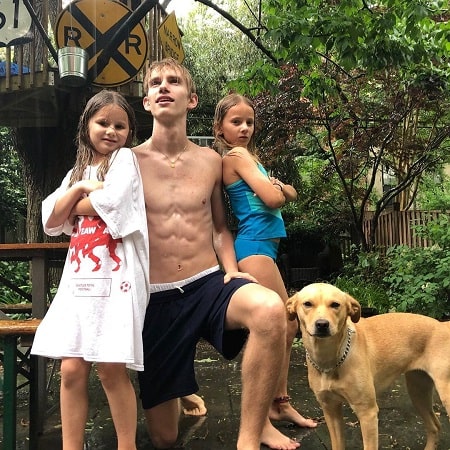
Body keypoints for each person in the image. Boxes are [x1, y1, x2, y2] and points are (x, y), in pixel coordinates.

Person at [133, 58, 300, 450]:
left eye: (173, 81)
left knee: (271, 309)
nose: (164, 87)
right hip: (156, 296)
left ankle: (251, 433)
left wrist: (231, 270)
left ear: (191, 99)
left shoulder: (211, 159)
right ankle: (181, 389)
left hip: (207, 282)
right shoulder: (129, 161)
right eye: (156, 82)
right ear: (146, 102)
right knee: (165, 437)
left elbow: (220, 228)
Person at [31, 90, 149, 450]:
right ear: (86, 126)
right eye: (103, 123)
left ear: (129, 131)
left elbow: (110, 202)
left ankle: (126, 445)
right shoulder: (76, 172)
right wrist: (81, 186)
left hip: (116, 281)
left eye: (120, 125)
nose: (111, 131)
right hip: (79, 282)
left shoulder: (125, 160)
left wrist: (72, 204)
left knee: (111, 368)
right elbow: (50, 217)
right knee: (70, 368)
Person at [213, 93, 318, 434]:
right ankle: (270, 409)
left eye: (249, 122)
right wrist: (279, 191)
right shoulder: (235, 157)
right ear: (220, 128)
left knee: (287, 327)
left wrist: (281, 190)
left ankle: (278, 403)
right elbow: (276, 196)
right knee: (277, 326)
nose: (244, 128)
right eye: (236, 122)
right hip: (254, 247)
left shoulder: (250, 158)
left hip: (264, 248)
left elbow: (293, 192)